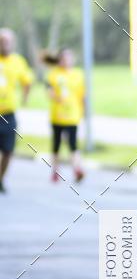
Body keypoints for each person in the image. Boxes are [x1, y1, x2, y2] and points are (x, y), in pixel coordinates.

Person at [43, 49, 85, 182]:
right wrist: (55, 96)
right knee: (56, 144)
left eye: (69, 58)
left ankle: (77, 168)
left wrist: (83, 110)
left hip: (72, 115)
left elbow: (82, 94)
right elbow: (49, 90)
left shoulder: (78, 74)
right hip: (57, 115)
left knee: (73, 143)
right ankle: (55, 171)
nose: (67, 61)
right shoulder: (53, 74)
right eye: (64, 58)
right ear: (60, 60)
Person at [0, 28, 34, 193]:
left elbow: (27, 80)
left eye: (7, 41)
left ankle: (0, 179)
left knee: (8, 150)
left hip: (8, 113)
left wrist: (25, 97)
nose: (5, 44)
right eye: (2, 41)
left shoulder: (18, 61)